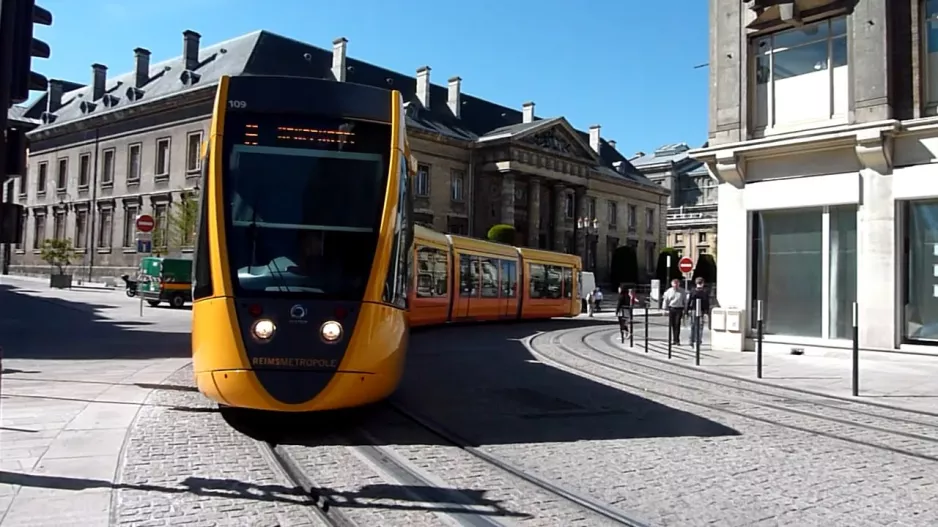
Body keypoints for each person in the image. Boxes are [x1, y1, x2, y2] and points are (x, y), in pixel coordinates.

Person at [661, 278, 687, 345]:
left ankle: (677, 340)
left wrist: (685, 310)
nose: (675, 286)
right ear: (672, 284)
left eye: (677, 284)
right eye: (674, 284)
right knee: (672, 325)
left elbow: (685, 301)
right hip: (672, 308)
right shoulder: (668, 291)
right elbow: (665, 301)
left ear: (678, 284)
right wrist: (664, 309)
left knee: (677, 324)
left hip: (679, 309)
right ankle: (673, 340)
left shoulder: (682, 291)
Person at [687, 277, 711, 347]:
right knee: (699, 326)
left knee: (693, 325)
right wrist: (707, 311)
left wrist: (687, 310)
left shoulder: (693, 291)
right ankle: (697, 340)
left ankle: (692, 340)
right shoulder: (705, 291)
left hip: (694, 310)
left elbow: (689, 301)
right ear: (703, 283)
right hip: (701, 310)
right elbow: (707, 302)